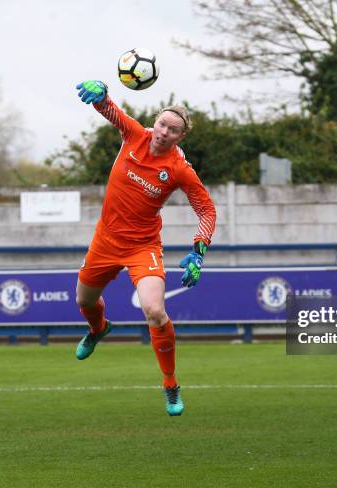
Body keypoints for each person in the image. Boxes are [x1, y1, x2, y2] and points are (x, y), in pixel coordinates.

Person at [73, 80, 216, 416]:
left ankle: (170, 384)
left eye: (174, 130)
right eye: (163, 124)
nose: (164, 132)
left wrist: (199, 251)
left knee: (154, 311)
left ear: (181, 138)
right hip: (105, 240)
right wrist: (101, 93)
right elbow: (111, 111)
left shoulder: (179, 170)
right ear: (155, 123)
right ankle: (99, 329)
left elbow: (207, 209)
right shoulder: (134, 135)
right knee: (84, 300)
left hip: (143, 246)